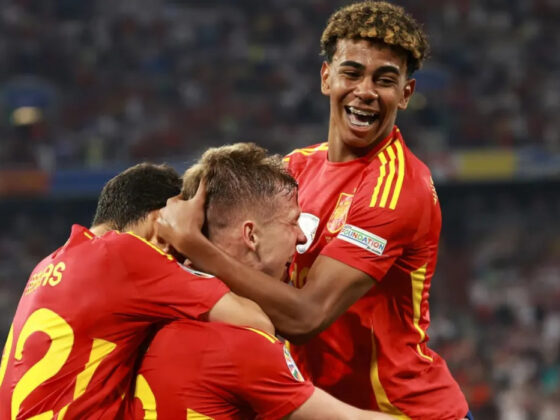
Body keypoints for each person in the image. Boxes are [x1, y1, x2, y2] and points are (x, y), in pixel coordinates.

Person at [156, 2, 471, 419]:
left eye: (384, 80)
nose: (365, 91)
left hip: (400, 411)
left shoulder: (396, 188)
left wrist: (194, 244)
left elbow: (306, 317)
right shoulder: (295, 167)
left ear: (405, 94)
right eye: (352, 73)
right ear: (326, 77)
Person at [128, 143, 393, 420]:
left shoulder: (147, 306)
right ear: (251, 236)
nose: (302, 237)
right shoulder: (241, 341)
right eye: (293, 222)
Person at [0, 163, 270, 419]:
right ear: (159, 220)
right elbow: (257, 324)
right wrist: (195, 244)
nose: (177, 256)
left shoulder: (47, 264)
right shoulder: (126, 253)